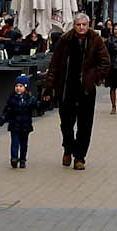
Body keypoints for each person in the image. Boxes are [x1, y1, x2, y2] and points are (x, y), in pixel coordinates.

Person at [44, 12, 112, 171]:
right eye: (78, 25)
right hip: (67, 88)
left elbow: (105, 62)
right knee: (66, 124)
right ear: (74, 26)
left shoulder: (95, 40)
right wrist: (49, 87)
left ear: (88, 25)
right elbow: (54, 65)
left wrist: (93, 77)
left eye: (84, 25)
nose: (81, 27)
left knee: (85, 125)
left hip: (86, 90)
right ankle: (68, 148)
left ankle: (80, 157)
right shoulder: (65, 41)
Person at [0, 77, 35, 169]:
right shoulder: (12, 99)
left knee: (24, 144)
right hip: (14, 125)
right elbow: (7, 112)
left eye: (21, 86)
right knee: (15, 143)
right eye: (16, 86)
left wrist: (45, 102)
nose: (18, 88)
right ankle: (14, 158)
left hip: (25, 125)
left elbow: (37, 105)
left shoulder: (30, 99)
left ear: (26, 88)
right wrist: (1, 121)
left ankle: (23, 160)